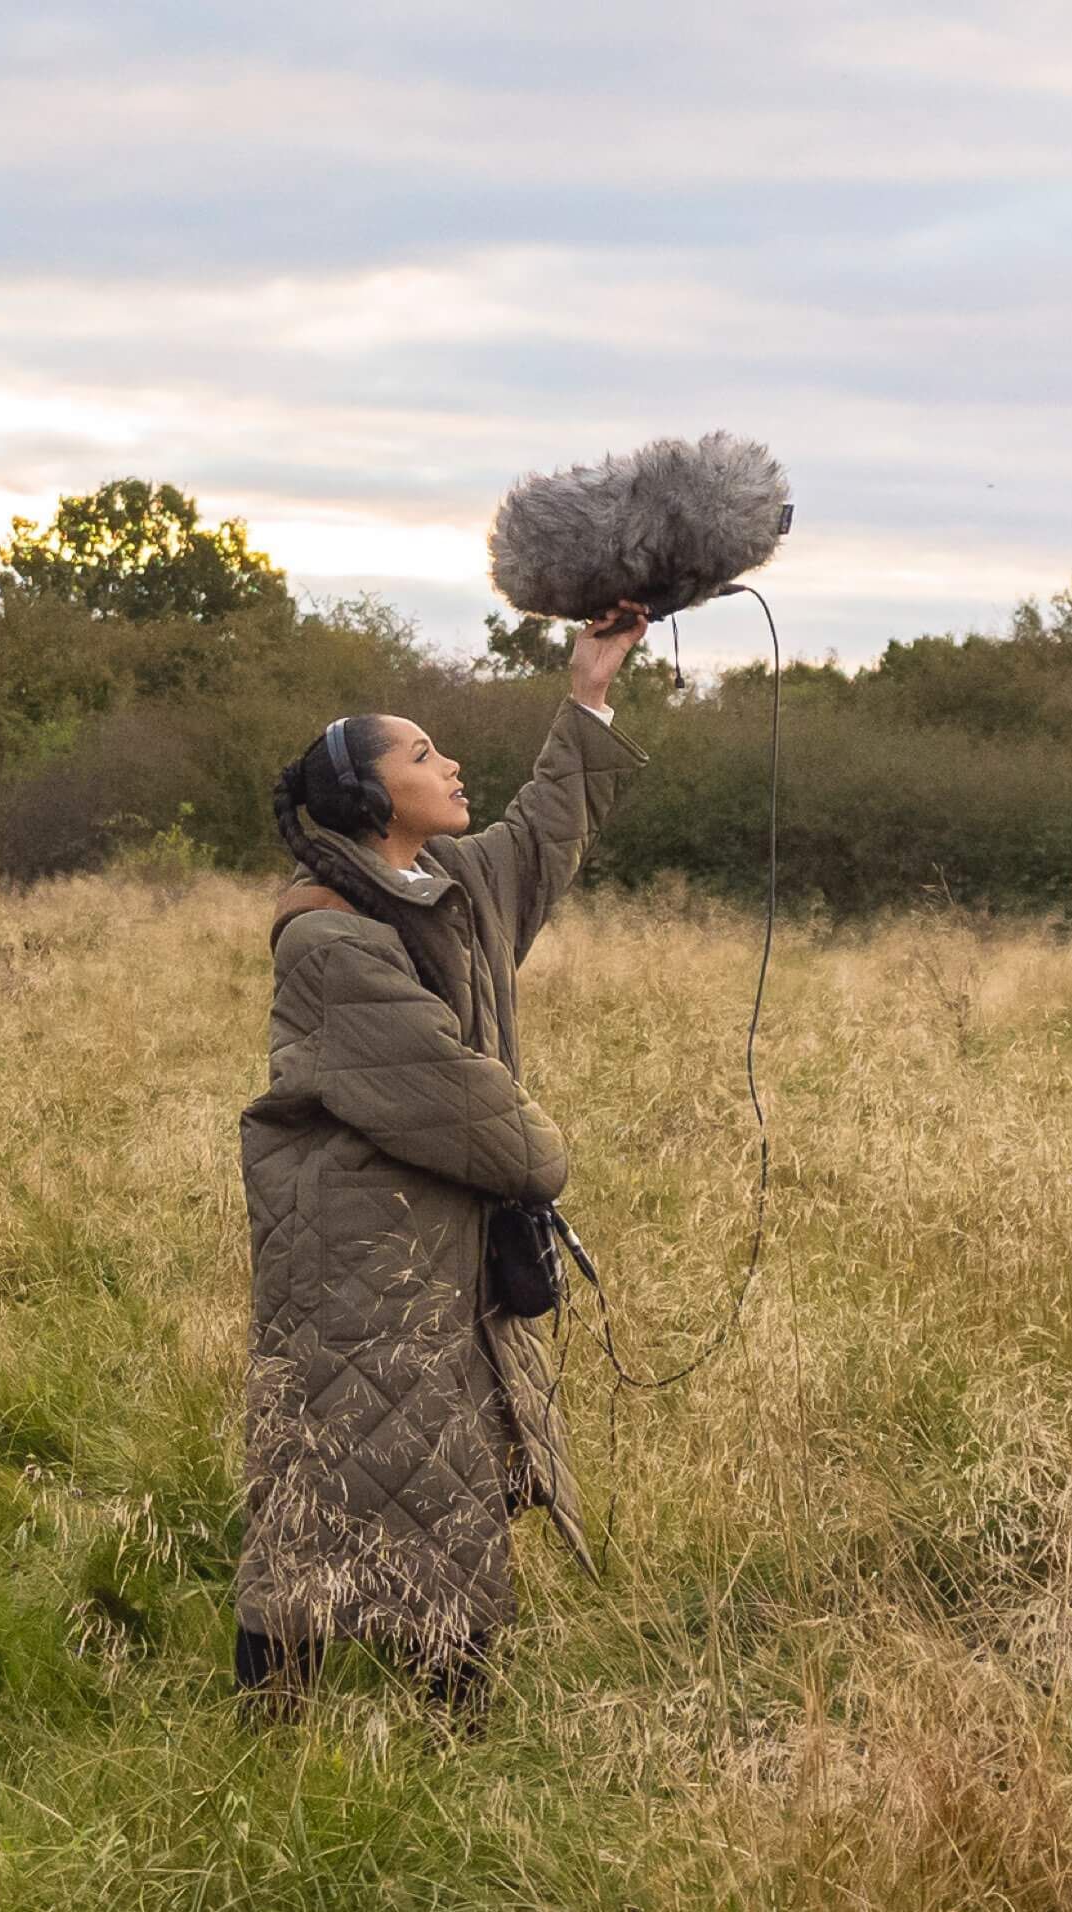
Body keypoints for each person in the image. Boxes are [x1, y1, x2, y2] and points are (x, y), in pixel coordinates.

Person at [233, 598, 653, 1731]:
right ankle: (276, 1742)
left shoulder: (444, 891)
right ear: (370, 798)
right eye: (421, 753)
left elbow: (540, 837)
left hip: (430, 1256)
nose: (449, 760)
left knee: (447, 1476)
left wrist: (590, 691)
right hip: (357, 1266)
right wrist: (541, 1162)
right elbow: (461, 1105)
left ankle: (449, 1729)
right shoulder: (331, 940)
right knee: (330, 1484)